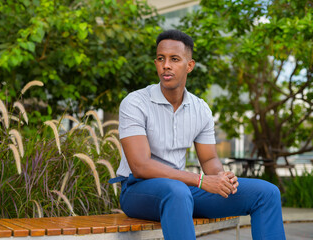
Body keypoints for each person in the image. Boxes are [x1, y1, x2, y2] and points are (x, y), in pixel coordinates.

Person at [109, 29, 286, 240]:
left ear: (189, 66)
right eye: (160, 59)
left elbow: (210, 159)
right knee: (176, 192)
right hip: (139, 191)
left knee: (267, 193)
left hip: (183, 189)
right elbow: (140, 166)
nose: (166, 65)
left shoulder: (200, 108)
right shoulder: (135, 102)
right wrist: (201, 181)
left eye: (174, 59)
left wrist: (222, 177)